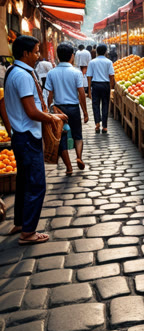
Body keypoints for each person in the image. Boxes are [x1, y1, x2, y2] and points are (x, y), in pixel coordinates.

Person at [0, 35, 67, 245]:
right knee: (37, 184)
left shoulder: (13, 71)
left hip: (21, 135)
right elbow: (31, 110)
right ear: (25, 53)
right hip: (28, 136)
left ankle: (21, 223)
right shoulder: (22, 75)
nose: (38, 56)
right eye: (36, 52)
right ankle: (28, 233)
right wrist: (53, 117)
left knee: (23, 183)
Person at [46, 42, 89, 176]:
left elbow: (49, 94)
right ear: (72, 56)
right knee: (77, 135)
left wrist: (50, 110)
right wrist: (85, 112)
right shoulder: (76, 73)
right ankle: (79, 157)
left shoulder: (52, 73)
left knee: (61, 136)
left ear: (58, 57)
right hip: (73, 108)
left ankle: (69, 167)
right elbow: (81, 93)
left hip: (59, 109)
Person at [87, 44, 114, 134]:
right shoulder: (109, 62)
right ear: (106, 52)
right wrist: (111, 88)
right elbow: (111, 76)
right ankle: (105, 126)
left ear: (97, 52)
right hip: (105, 85)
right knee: (105, 105)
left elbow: (89, 76)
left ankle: (97, 124)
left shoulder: (92, 62)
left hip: (95, 85)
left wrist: (89, 91)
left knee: (95, 105)